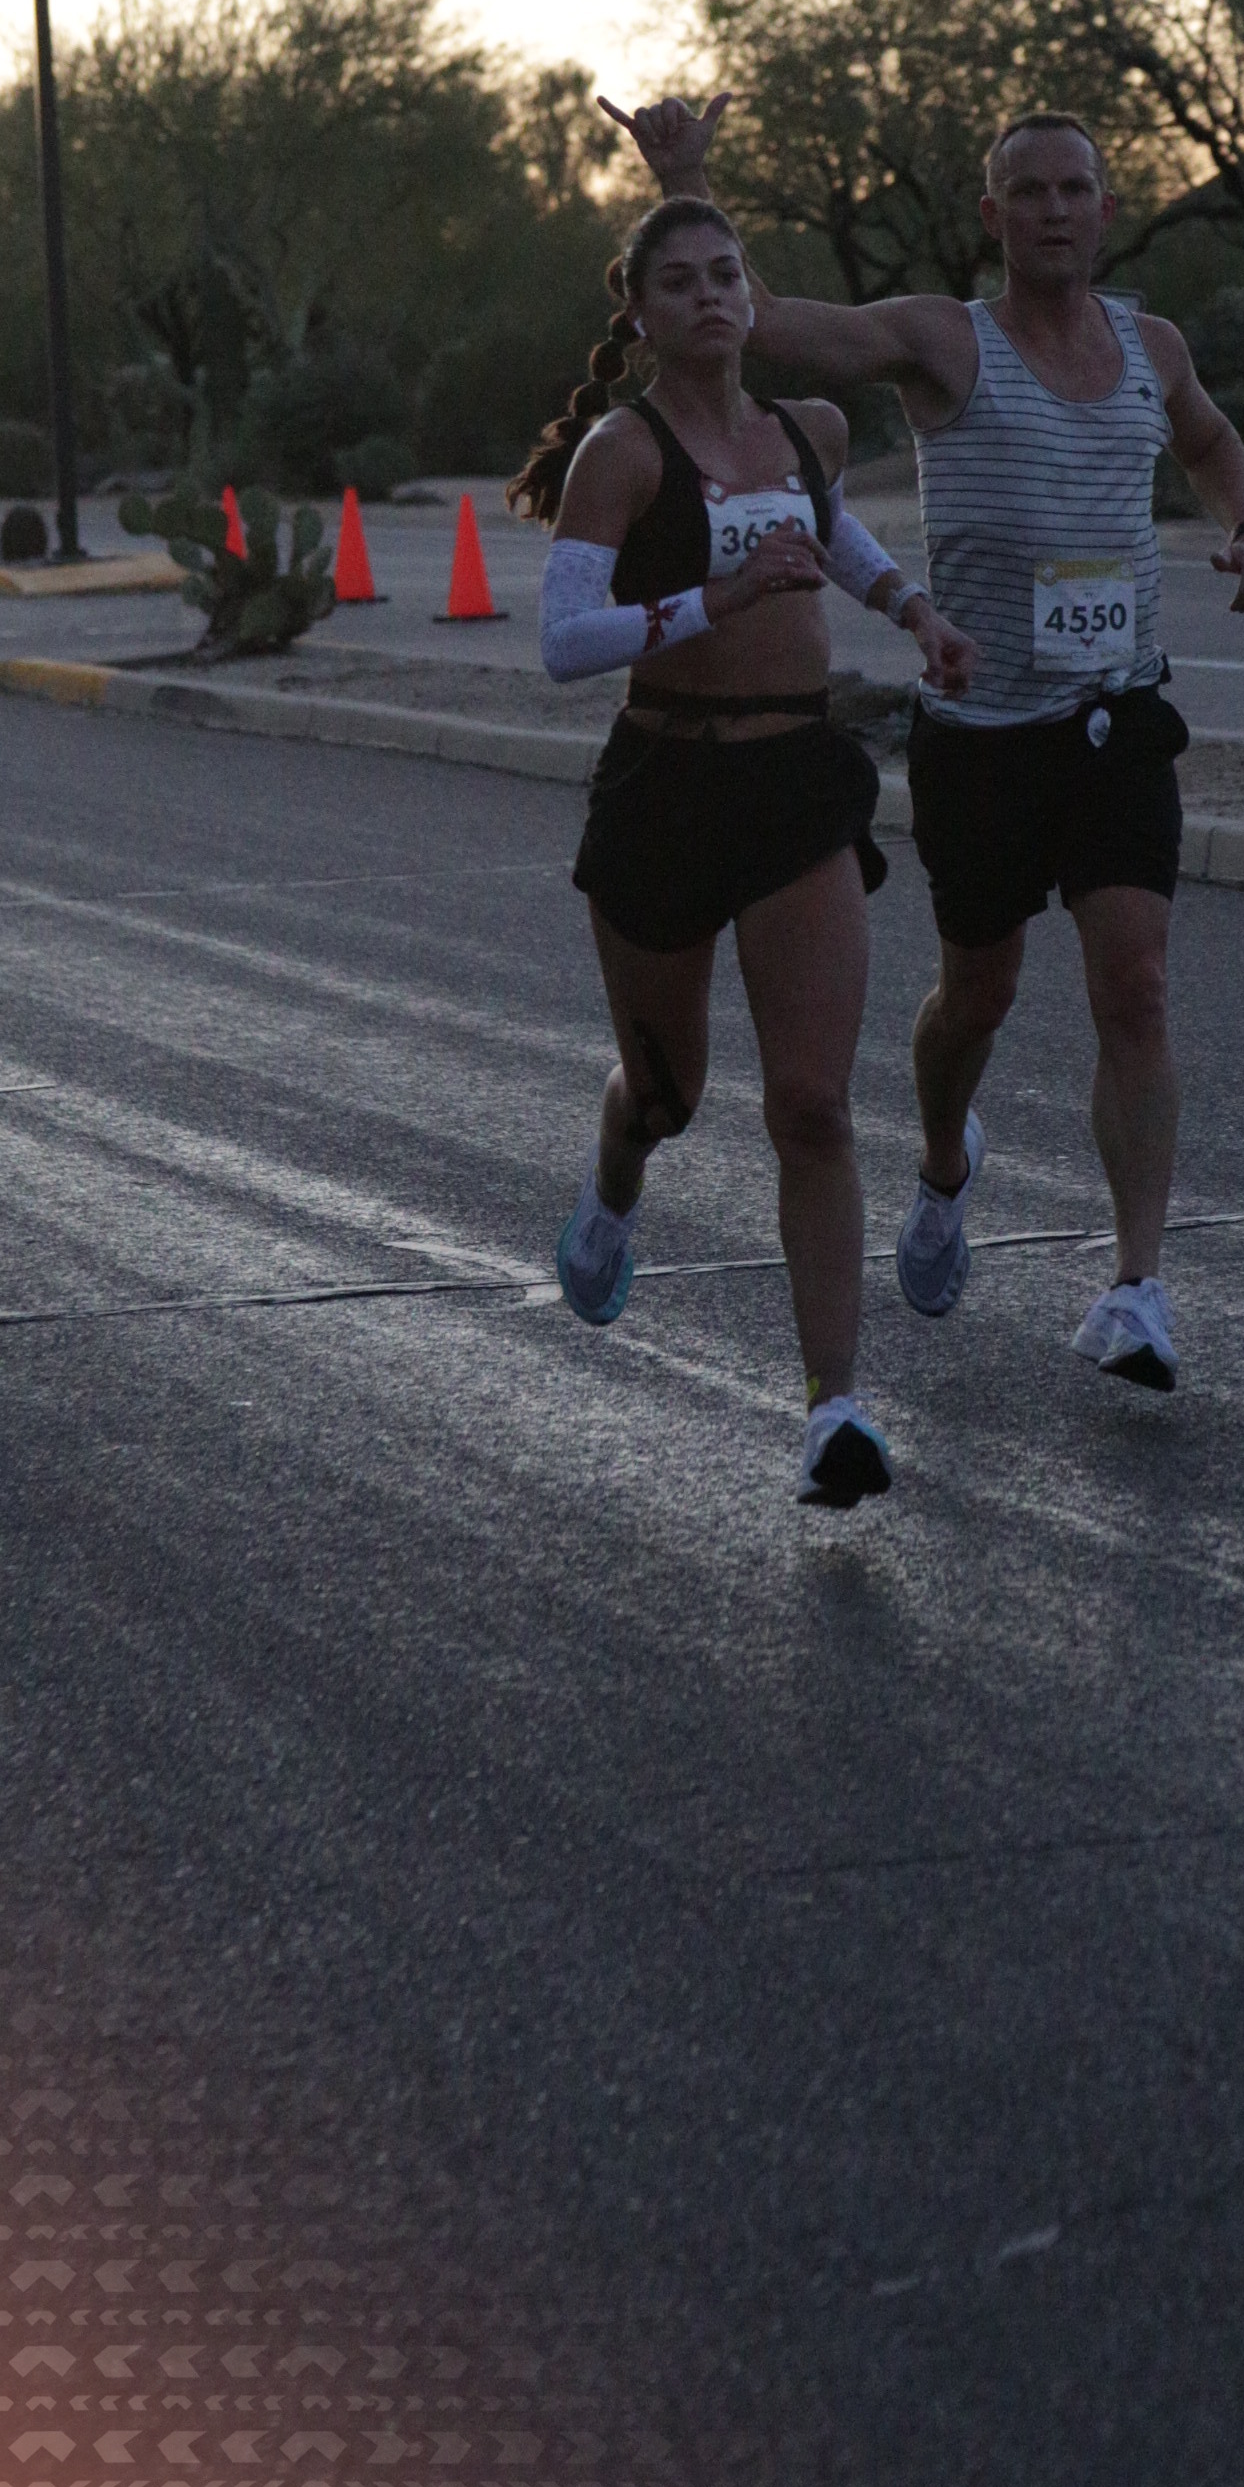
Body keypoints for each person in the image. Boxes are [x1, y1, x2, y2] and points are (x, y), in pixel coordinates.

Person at [606, 94, 1244, 1392]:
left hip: (1118, 714)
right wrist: (688, 178)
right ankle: (942, 1159)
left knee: (1136, 984)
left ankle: (1136, 1288)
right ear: (993, 216)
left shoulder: (1151, 346)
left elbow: (1208, 441)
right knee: (976, 995)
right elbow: (771, 326)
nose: (1053, 211)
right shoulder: (943, 340)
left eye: (1074, 190)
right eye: (1027, 192)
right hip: (984, 735)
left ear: (1105, 210)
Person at [508, 193, 978, 1505]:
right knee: (668, 1097)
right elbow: (563, 643)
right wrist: (709, 602)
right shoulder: (623, 452)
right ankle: (613, 1191)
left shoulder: (805, 428)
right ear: (641, 313)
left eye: (728, 275)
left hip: (794, 783)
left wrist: (913, 610)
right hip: (663, 788)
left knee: (813, 1104)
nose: (711, 296)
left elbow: (828, 534)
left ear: (752, 296)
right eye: (682, 282)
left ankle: (835, 1410)